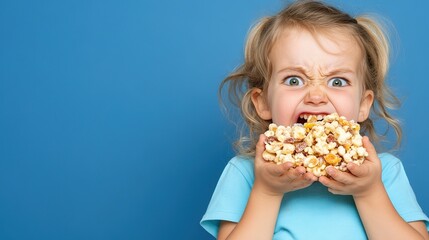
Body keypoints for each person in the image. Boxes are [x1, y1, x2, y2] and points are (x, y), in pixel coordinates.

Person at [200, 1, 429, 239]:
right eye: (294, 80)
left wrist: (369, 193)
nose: (316, 96)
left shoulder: (384, 172)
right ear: (263, 102)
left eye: (337, 81)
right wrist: (267, 192)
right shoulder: (246, 173)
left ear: (363, 105)